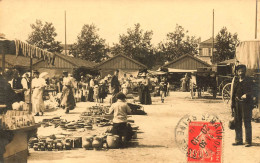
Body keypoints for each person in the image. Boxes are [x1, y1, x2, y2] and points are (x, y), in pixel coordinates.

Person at [231, 64, 254, 147]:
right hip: (237, 104)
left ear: (245, 71)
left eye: (242, 71)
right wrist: (232, 105)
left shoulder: (249, 80)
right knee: (237, 122)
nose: (241, 73)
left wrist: (247, 95)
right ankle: (238, 140)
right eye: (239, 71)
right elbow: (233, 94)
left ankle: (248, 141)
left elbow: (254, 91)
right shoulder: (236, 81)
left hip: (246, 104)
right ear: (237, 72)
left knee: (247, 122)